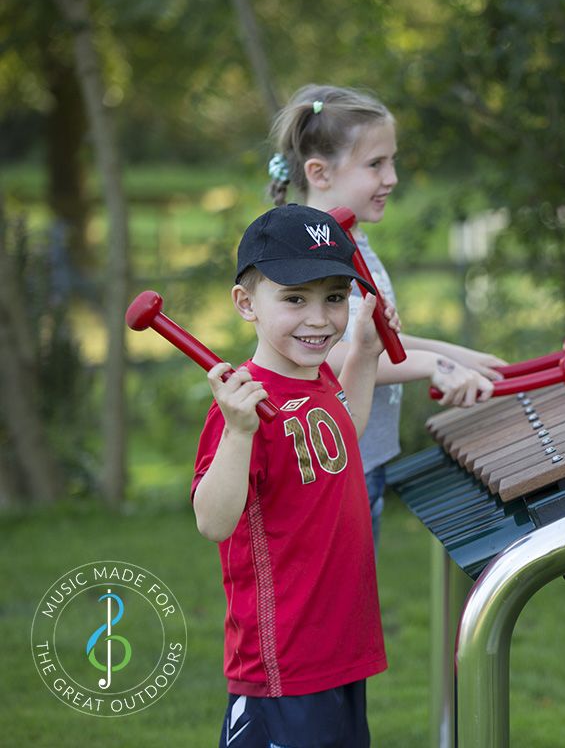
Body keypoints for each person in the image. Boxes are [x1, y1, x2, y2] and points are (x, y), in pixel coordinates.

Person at [191, 203, 400, 747]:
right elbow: (214, 521)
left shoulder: (316, 379)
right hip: (283, 663)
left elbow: (341, 438)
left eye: (334, 297)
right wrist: (237, 434)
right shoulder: (242, 407)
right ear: (246, 304)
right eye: (294, 298)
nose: (319, 317)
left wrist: (366, 354)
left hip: (340, 647)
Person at [266, 84, 505, 546]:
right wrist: (435, 367)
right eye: (376, 164)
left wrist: (461, 355)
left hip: (364, 460)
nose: (392, 177)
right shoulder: (310, 256)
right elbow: (330, 354)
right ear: (319, 172)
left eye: (392, 161)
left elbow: (374, 340)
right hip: (328, 467)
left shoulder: (350, 242)